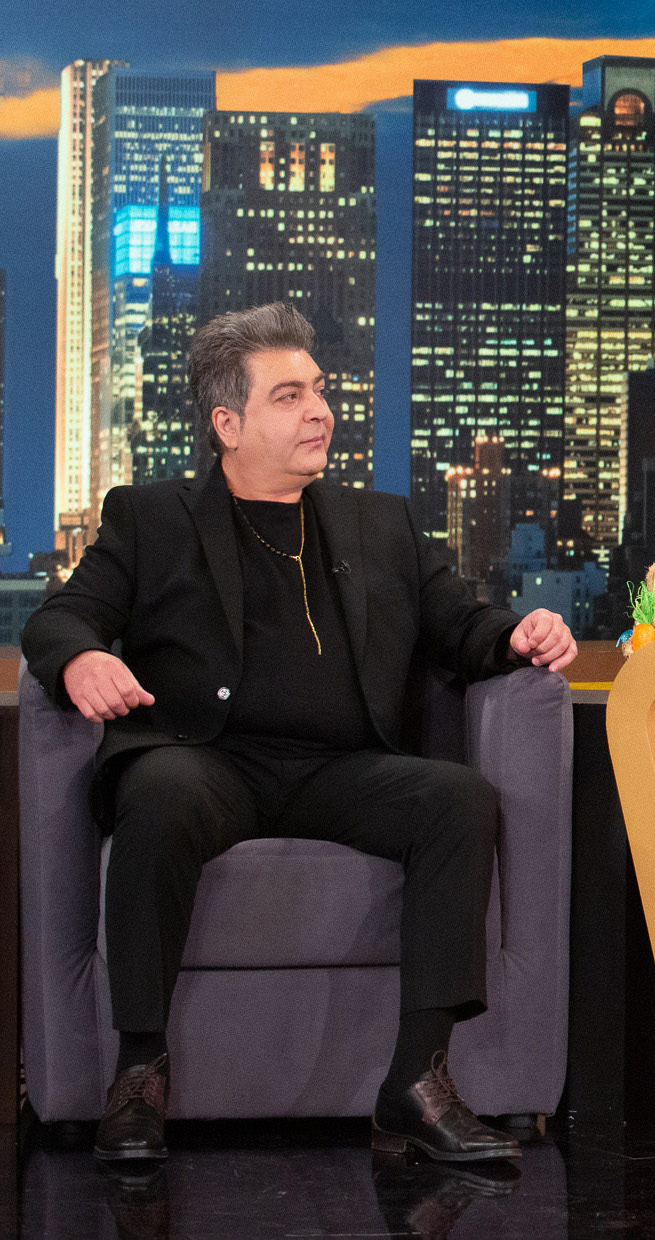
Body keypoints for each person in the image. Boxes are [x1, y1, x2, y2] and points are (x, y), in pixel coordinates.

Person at [22, 303, 577, 1166]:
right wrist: (82, 659)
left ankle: (416, 1084)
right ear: (228, 424)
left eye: (319, 390)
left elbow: (460, 625)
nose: (320, 410)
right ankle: (139, 1072)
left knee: (456, 800)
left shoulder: (381, 523)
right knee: (159, 791)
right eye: (290, 397)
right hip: (207, 761)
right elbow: (61, 618)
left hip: (341, 769)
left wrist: (518, 634)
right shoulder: (152, 518)